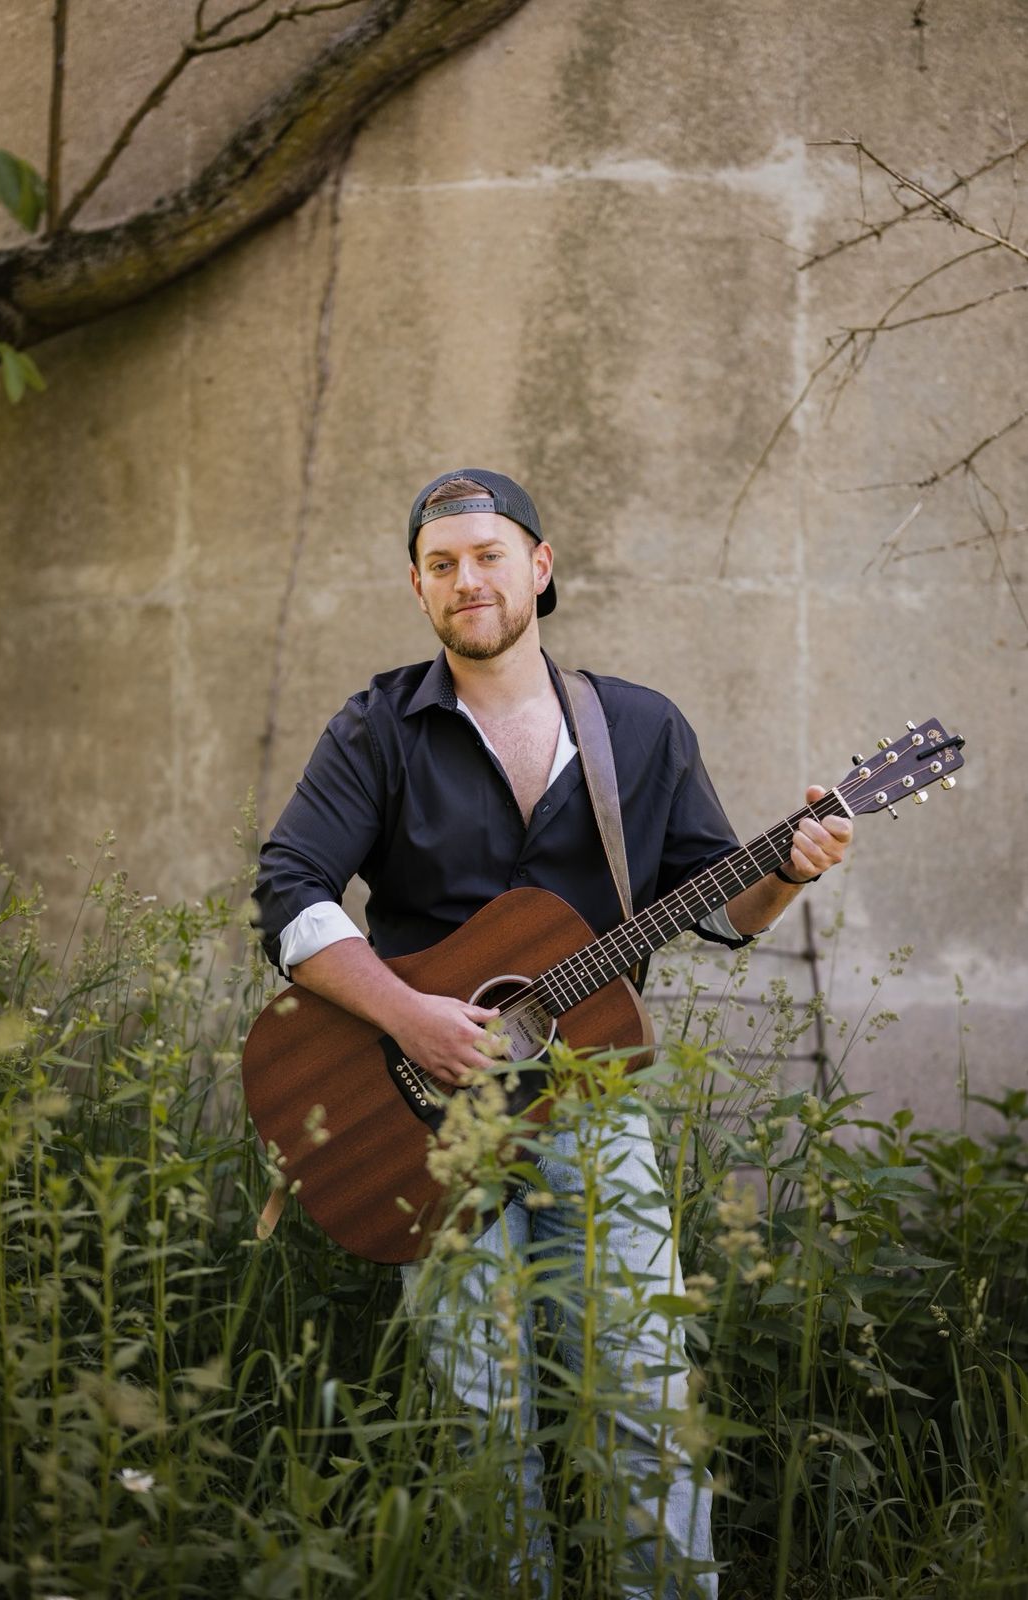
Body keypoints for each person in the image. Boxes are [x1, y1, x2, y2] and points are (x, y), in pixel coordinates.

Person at [255, 468, 852, 1597]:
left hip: (592, 1107)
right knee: (475, 1420)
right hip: (428, 1124)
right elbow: (289, 891)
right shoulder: (377, 728)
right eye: (441, 564)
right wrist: (410, 1017)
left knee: (643, 1401)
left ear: (537, 565)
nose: (466, 580)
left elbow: (719, 906)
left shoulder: (637, 727)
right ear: (417, 587)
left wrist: (788, 869)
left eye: (487, 555)